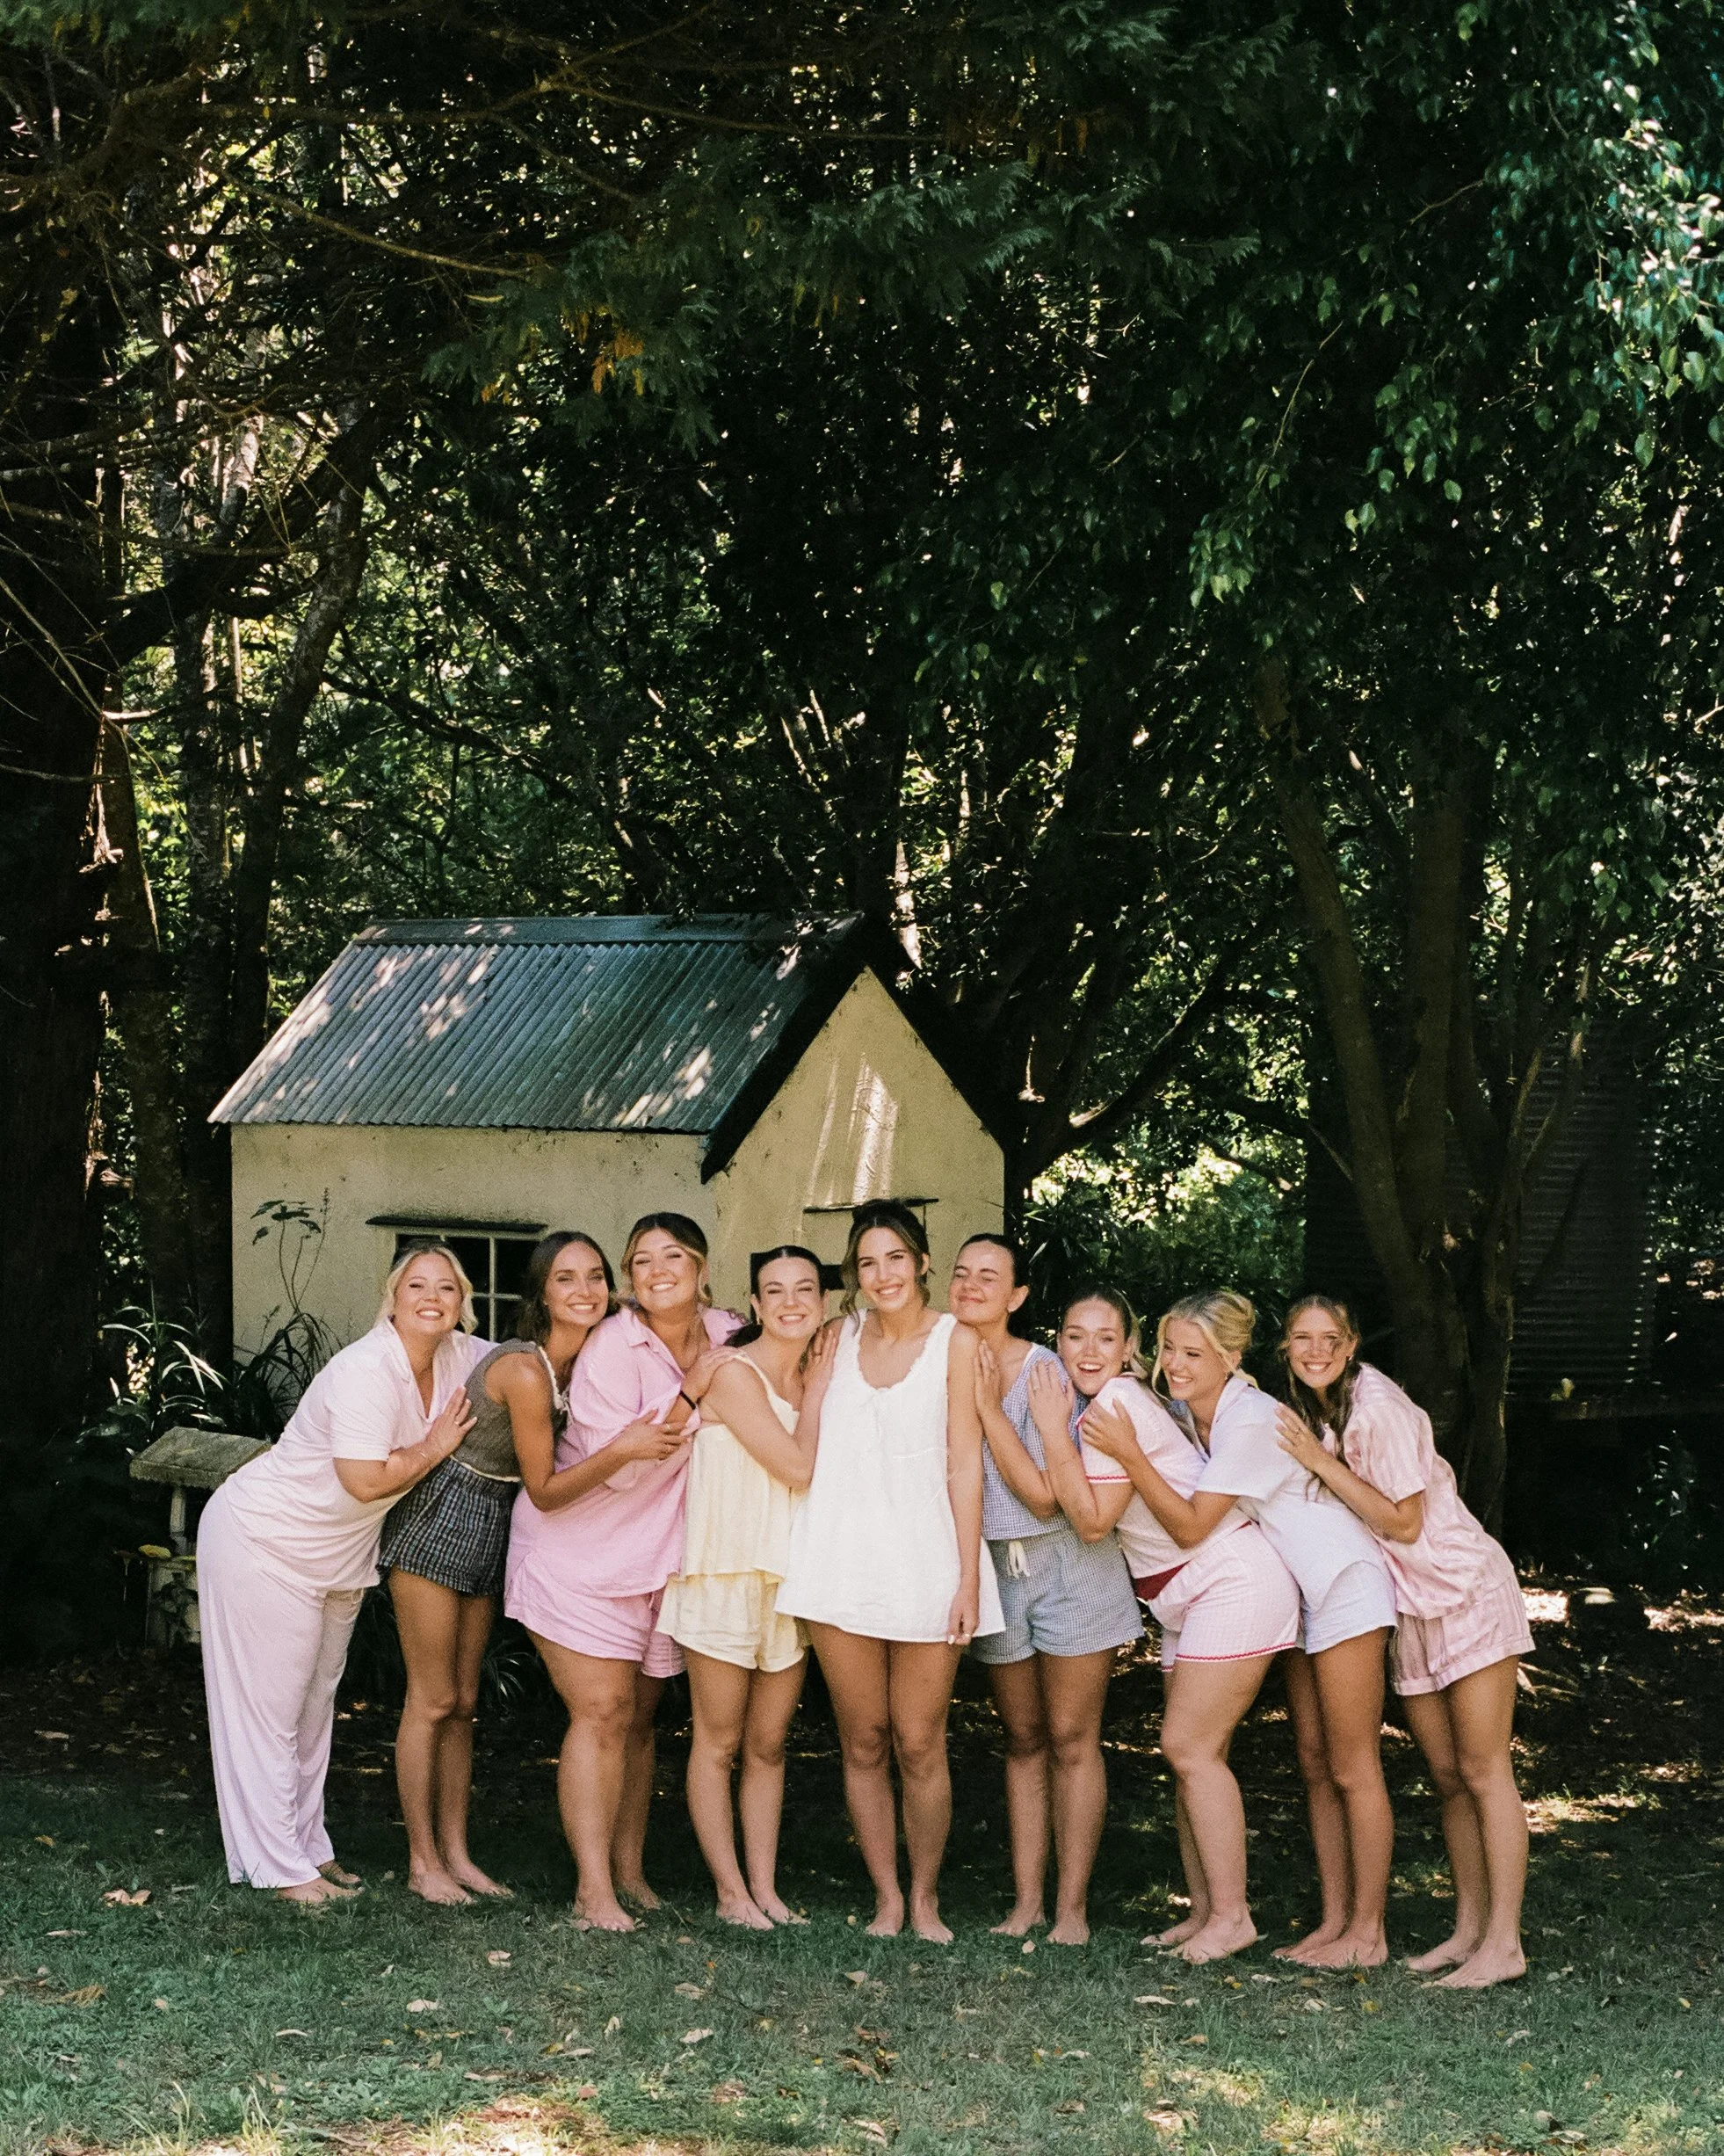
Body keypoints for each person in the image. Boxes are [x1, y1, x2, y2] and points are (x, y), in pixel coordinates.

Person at [197, 1239, 487, 1901]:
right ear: (392, 1298)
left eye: (447, 1288)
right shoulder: (366, 1369)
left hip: (338, 1560)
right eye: (417, 1286)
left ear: (463, 1303)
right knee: (270, 1711)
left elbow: (524, 1366)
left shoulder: (457, 1356)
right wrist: (435, 1444)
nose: (433, 1298)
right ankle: (278, 1868)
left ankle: (307, 1847)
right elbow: (362, 1479)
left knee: (312, 1708)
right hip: (264, 1541)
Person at [1119, 1290, 1396, 1968]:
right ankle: (1332, 1924)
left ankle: (1368, 1932)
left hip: (1342, 1582)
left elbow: (1189, 1523)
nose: (1175, 1365)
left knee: (1353, 1764)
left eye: (1194, 1353)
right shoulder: (1196, 1414)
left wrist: (1128, 1453)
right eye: (1169, 1349)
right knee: (1313, 1762)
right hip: (1299, 1591)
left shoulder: (1247, 1419)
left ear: (1233, 1358)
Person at [1274, 1295, 1532, 1987]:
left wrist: (1317, 1463)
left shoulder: (1377, 1409)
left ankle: (1505, 1943)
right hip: (1412, 1608)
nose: (1317, 1349)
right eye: (1303, 1337)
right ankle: (1469, 1930)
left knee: (1484, 1769)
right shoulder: (1320, 1409)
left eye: (1331, 1337)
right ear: (1286, 1347)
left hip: (1463, 1590)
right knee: (1449, 1777)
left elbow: (1405, 1522)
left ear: (1352, 1341)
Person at [1051, 1288, 1300, 1963]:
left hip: (1229, 1578)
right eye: (1172, 1348)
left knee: (1189, 1747)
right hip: (1184, 1593)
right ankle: (1206, 1913)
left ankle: (1233, 1916)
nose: (1176, 1361)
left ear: (1124, 1346)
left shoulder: (1117, 1406)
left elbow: (1096, 1520)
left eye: (1109, 1337)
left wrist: (1052, 1429)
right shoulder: (1132, 1402)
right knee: (1191, 1755)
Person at [777, 1201, 1003, 1942]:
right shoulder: (834, 1338)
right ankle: (887, 1898)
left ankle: (928, 1896)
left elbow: (966, 1465)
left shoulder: (957, 1341)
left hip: (929, 1561)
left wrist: (968, 1577)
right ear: (855, 1273)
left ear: (923, 1262)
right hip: (839, 1559)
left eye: (896, 1258)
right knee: (864, 1737)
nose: (883, 1275)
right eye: (868, 1263)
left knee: (918, 1737)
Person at [505, 1211, 736, 1932]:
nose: (657, 1269)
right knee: (601, 1712)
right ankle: (591, 1890)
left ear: (701, 1267)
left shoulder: (730, 1332)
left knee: (640, 1721)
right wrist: (694, 1390)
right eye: (641, 1260)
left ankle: (631, 1873)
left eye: (674, 1256)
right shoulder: (613, 1345)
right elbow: (630, 1470)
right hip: (578, 1550)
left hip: (658, 1560)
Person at [379, 1230, 615, 1905]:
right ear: (541, 1292)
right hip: (441, 1513)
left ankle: (457, 1854)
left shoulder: (582, 1361)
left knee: (466, 1701)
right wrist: (626, 1450)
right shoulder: (523, 1367)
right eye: (566, 1278)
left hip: (492, 1520)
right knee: (431, 1698)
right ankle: (422, 1860)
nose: (585, 1290)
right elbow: (544, 1486)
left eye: (595, 1276)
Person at [949, 1238, 1141, 1944]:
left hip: (1069, 1565)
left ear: (1019, 1295)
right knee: (1023, 1737)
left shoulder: (1045, 1371)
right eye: (961, 1273)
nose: (971, 1285)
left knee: (1071, 1737)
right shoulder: (943, 1357)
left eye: (989, 1276)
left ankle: (1072, 1910)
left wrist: (987, 1407)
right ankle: (1026, 1902)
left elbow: (1041, 1499)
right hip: (996, 1573)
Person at [661, 1245, 826, 1927]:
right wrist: (820, 1391)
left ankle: (765, 1888)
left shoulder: (814, 1373)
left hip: (787, 1579)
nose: (791, 1302)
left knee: (769, 1743)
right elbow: (795, 1466)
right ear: (755, 1305)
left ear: (822, 1302)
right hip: (724, 1571)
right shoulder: (731, 1372)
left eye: (805, 1290)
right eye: (775, 1291)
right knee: (718, 1739)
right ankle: (729, 1893)